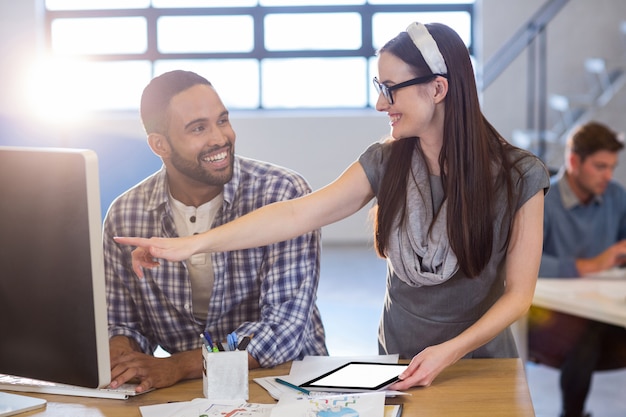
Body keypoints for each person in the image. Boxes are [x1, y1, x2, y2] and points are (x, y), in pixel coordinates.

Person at [115, 22, 550, 390]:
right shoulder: (387, 160)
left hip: (480, 366)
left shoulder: (520, 176)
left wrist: (448, 353)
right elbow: (298, 214)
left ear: (437, 89)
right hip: (398, 362)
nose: (381, 103)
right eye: (379, 88)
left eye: (391, 90)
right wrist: (190, 246)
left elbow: (518, 296)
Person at [103, 70, 328, 393]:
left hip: (287, 384)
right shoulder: (126, 215)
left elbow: (281, 332)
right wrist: (121, 355)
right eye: (198, 128)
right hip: (189, 393)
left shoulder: (281, 193)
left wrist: (178, 365)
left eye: (222, 121)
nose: (220, 138)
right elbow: (124, 323)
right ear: (159, 145)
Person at [529, 121, 626, 417]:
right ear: (574, 161)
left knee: (592, 329)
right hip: (551, 318)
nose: (608, 176)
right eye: (600, 166)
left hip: (605, 309)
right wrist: (586, 266)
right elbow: (524, 264)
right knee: (584, 334)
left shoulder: (616, 196)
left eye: (612, 167)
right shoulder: (542, 201)